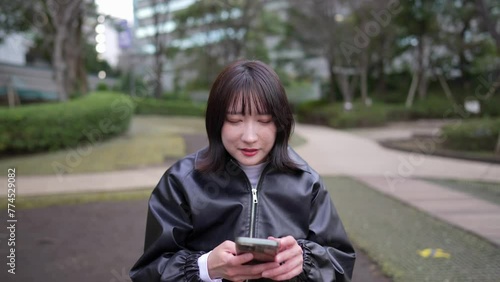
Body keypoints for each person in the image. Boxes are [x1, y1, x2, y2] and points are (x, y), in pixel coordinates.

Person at [129, 59, 356, 281]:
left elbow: (341, 264)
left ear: (280, 123)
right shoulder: (181, 182)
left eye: (264, 120)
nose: (249, 137)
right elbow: (149, 271)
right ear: (217, 122)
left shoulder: (307, 183)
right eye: (235, 120)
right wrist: (205, 268)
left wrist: (306, 261)